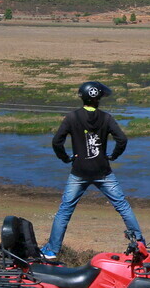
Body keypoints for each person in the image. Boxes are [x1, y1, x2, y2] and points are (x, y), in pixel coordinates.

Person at [40, 81, 143, 259]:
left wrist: (66, 158)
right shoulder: (106, 118)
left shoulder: (72, 117)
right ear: (98, 99)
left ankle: (51, 250)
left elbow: (57, 142)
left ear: (83, 98)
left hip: (79, 172)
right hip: (103, 171)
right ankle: (140, 245)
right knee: (123, 207)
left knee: (65, 210)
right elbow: (122, 140)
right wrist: (113, 156)